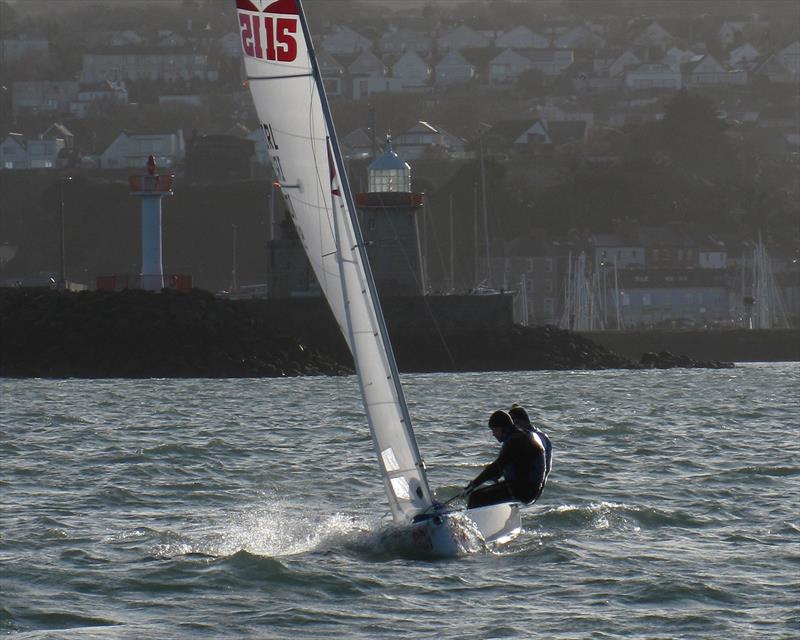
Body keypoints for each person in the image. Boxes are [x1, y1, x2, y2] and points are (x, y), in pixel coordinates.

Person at [464, 410, 546, 509]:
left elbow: (497, 467)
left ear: (503, 428)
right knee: (486, 492)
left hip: (523, 491)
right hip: (530, 489)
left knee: (475, 497)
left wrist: (473, 484)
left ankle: (473, 523)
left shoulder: (515, 441)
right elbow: (513, 464)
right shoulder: (522, 435)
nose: (493, 434)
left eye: (494, 430)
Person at [509, 403, 553, 482]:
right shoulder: (543, 436)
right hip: (537, 484)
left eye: (512, 424)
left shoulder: (527, 438)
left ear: (519, 421)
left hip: (526, 484)